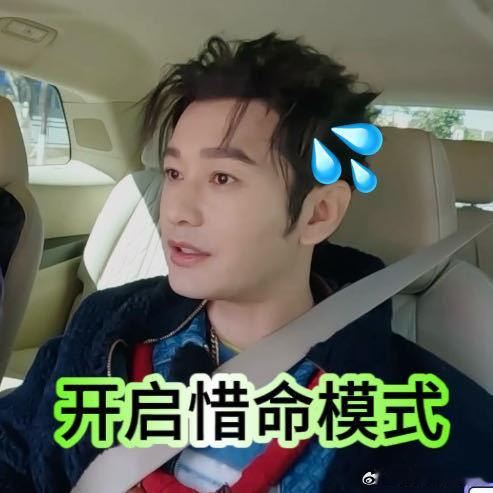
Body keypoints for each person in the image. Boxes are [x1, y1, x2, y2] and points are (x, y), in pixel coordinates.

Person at [0, 32, 492, 493]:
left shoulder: (417, 412)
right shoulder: (105, 331)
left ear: (318, 213)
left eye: (222, 178)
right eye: (173, 172)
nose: (177, 211)